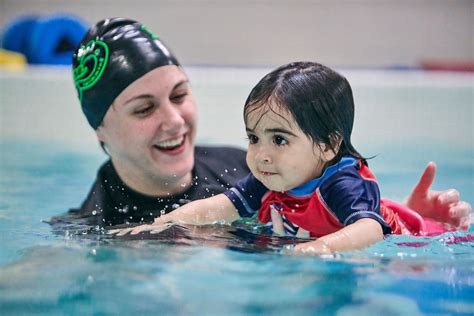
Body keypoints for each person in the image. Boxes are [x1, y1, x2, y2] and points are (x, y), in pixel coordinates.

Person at [49, 18, 471, 233]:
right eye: (144, 109)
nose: (174, 120)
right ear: (100, 130)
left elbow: (327, 206)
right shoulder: (100, 231)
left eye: (180, 95)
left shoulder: (248, 165)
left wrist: (407, 223)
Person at [113, 62, 471, 254]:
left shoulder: (340, 183)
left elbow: (372, 229)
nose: (260, 155)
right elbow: (218, 207)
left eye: (279, 139)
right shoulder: (271, 178)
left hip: (420, 243)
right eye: (253, 138)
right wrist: (166, 222)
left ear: (329, 146)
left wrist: (319, 249)